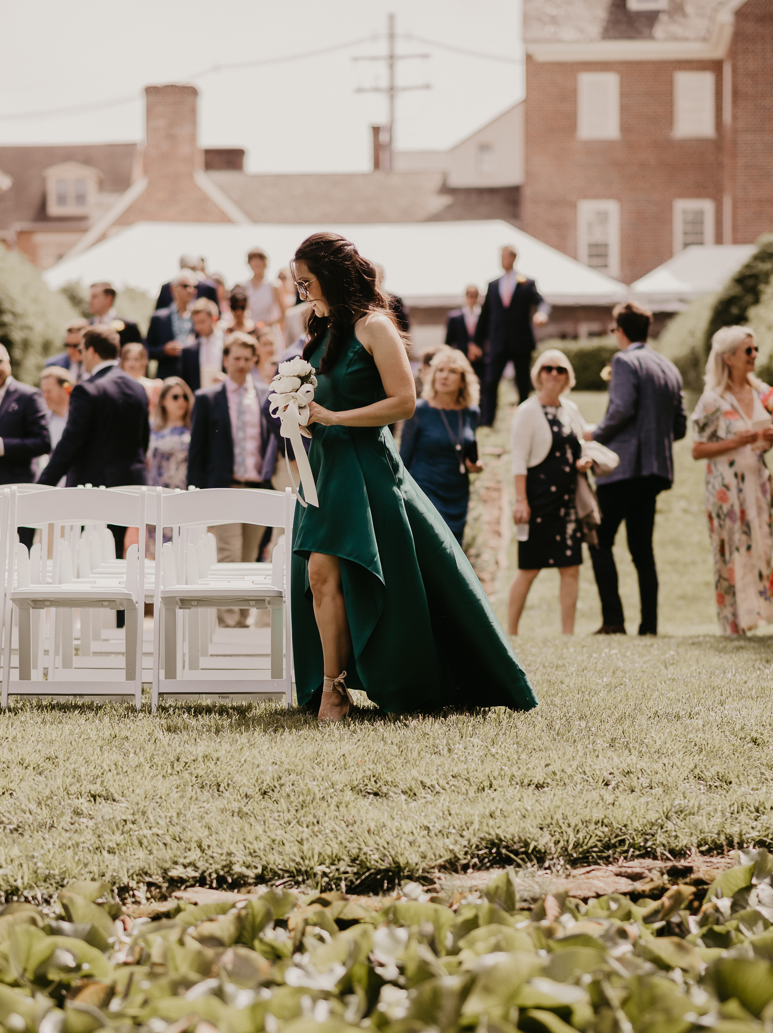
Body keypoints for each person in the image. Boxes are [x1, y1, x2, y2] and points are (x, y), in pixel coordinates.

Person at [288, 231, 537, 721]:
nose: (303, 294)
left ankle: (388, 679)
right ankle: (332, 686)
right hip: (324, 469)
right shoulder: (317, 333)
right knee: (319, 576)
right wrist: (298, 415)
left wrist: (335, 417)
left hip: (368, 469)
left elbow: (404, 401)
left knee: (388, 578)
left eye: (307, 283)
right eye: (298, 286)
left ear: (332, 277)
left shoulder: (375, 325)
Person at [583, 300, 688, 637]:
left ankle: (614, 621)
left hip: (623, 468)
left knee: (599, 539)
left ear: (621, 331)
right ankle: (649, 627)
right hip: (656, 471)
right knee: (642, 549)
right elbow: (681, 427)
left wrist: (594, 435)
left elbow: (623, 409)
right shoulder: (668, 368)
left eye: (614, 329)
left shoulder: (625, 361)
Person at [187, 332, 277, 627]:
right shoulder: (207, 398)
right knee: (229, 556)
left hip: (258, 489)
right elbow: (196, 452)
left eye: (246, 359)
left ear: (254, 360)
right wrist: (196, 497)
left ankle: (242, 617)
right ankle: (227, 622)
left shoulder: (268, 396)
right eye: (235, 358)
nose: (240, 364)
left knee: (251, 557)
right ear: (225, 359)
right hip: (223, 488)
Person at [38, 326, 149, 559]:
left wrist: (43, 485)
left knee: (86, 558)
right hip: (130, 486)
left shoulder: (87, 389)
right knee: (117, 554)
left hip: (93, 489)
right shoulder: (137, 388)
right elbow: (143, 440)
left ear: (90, 351)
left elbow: (71, 442)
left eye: (80, 349)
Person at [691, 326, 773, 635]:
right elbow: (697, 450)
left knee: (764, 546)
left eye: (755, 350)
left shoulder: (762, 393)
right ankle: (732, 625)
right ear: (728, 358)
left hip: (758, 485)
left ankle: (763, 613)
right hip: (725, 489)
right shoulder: (713, 400)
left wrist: (767, 438)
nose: (754, 356)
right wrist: (738, 441)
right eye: (747, 351)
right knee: (729, 550)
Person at [507, 350, 593, 636]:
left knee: (570, 567)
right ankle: (511, 631)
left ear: (568, 375)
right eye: (548, 368)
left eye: (560, 369)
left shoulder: (570, 409)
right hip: (537, 498)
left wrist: (582, 462)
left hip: (567, 501)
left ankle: (567, 633)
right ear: (538, 374)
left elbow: (579, 443)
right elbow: (518, 457)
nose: (554, 374)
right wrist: (521, 500)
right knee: (529, 568)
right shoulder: (528, 410)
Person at [0, 341, 51, 548]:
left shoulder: (29, 396)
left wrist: (1, 446)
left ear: (8, 362)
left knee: (17, 557)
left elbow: (43, 442)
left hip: (16, 494)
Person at [400, 348, 482, 544]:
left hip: (458, 493)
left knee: (455, 554)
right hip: (425, 492)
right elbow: (403, 458)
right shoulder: (419, 410)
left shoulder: (471, 412)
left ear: (463, 380)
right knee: (431, 551)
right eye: (440, 370)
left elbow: (465, 448)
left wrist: (476, 465)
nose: (445, 376)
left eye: (452, 371)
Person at [471, 246, 549, 425]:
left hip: (521, 342)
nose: (501, 260)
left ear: (513, 258)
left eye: (504, 256)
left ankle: (524, 420)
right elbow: (485, 316)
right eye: (500, 256)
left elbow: (542, 303)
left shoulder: (527, 283)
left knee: (523, 384)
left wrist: (542, 314)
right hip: (498, 342)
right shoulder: (493, 285)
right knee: (491, 382)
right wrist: (476, 342)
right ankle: (487, 421)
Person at [146, 377, 193, 557]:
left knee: (181, 551)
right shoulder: (152, 429)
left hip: (183, 497)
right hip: (157, 497)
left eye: (185, 397)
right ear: (163, 401)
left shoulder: (193, 429)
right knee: (156, 552)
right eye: (175, 397)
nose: (181, 401)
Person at [147, 271, 197, 380]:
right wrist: (164, 350)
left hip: (192, 377)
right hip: (167, 376)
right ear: (173, 289)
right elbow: (147, 350)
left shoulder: (199, 316)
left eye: (194, 286)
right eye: (185, 286)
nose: (190, 290)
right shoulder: (159, 318)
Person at [181, 298, 224, 394]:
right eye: (196, 323)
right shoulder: (188, 351)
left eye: (202, 322)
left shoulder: (227, 344)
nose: (198, 327)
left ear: (214, 318)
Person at [88, 282, 142, 347]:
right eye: (90, 296)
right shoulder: (87, 326)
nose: (89, 300)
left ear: (109, 299)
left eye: (94, 297)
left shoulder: (129, 328)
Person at [446, 286, 483, 379]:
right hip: (461, 358)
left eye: (474, 296)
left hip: (481, 359)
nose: (472, 298)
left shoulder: (484, 316)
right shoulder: (454, 317)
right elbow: (448, 341)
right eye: (470, 295)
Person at [246, 249, 285, 332]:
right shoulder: (245, 286)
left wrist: (265, 324)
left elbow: (283, 316)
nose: (256, 263)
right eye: (253, 260)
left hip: (270, 332)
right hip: (251, 331)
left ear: (264, 263)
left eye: (259, 260)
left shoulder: (274, 286)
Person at [120, 342, 162, 419]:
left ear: (144, 361)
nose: (131, 364)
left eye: (136, 359)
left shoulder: (155, 386)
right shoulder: (117, 387)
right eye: (127, 359)